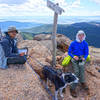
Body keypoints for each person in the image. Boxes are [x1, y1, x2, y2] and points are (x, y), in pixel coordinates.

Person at [68, 30, 89, 97]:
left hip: (81, 58)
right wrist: (73, 56)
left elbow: (86, 53)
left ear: (84, 36)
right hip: (75, 58)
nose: (81, 36)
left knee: (82, 67)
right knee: (76, 72)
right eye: (79, 35)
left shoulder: (85, 43)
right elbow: (69, 52)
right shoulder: (73, 43)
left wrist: (84, 58)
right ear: (77, 35)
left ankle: (82, 82)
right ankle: (72, 88)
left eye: (82, 35)